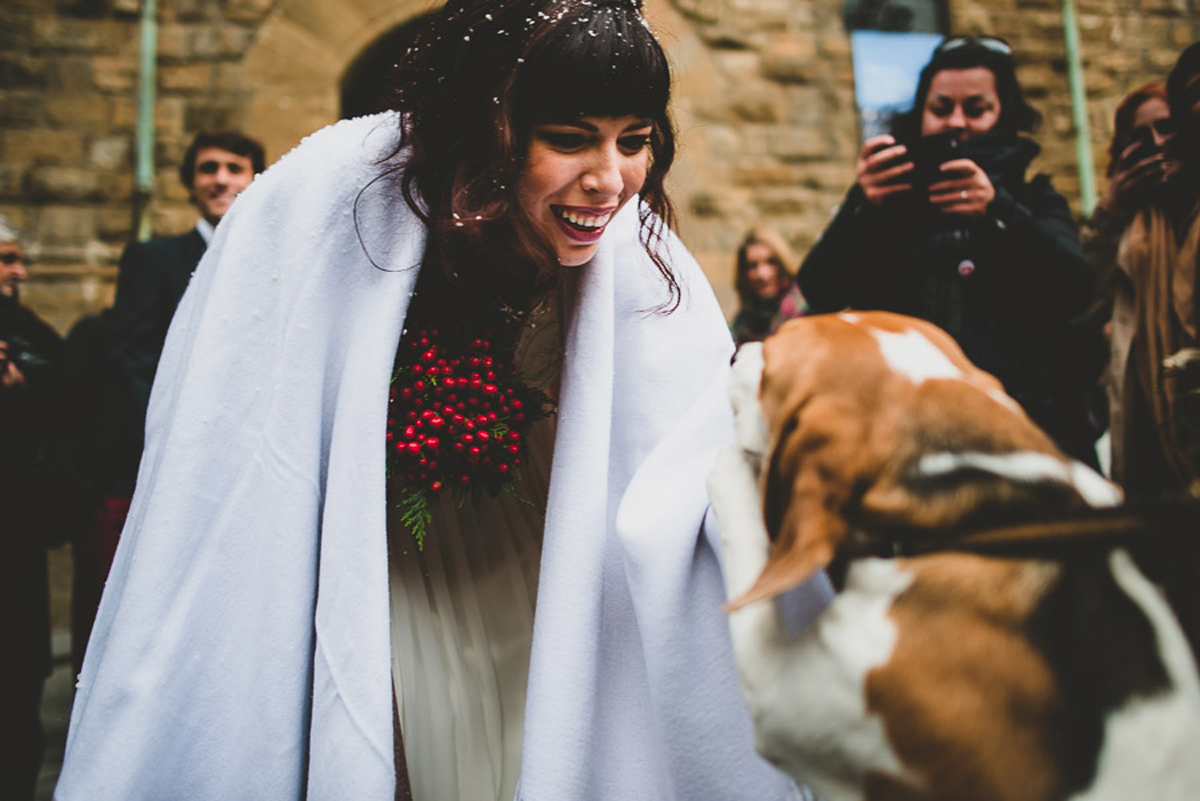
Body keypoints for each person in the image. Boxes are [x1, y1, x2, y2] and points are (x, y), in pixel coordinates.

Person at [55, 2, 825, 800]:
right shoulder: (343, 204)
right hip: (393, 574)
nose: (610, 179)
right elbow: (252, 438)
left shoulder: (639, 251)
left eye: (634, 141)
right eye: (569, 138)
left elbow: (677, 458)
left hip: (557, 576)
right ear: (488, 130)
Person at [797, 35, 1104, 466]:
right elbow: (821, 288)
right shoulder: (885, 199)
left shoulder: (1034, 197)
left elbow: (1074, 289)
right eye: (940, 108)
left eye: (976, 109)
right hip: (909, 434)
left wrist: (998, 210)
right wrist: (862, 206)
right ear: (920, 113)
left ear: (1004, 115)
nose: (956, 122)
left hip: (1027, 433)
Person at [67, 129, 266, 674]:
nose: (221, 179)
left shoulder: (275, 263)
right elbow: (134, 358)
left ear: (255, 181)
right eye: (208, 168)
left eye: (234, 168)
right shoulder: (154, 259)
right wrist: (168, 443)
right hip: (166, 452)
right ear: (189, 184)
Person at [1085, 44, 1200, 496]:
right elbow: (1080, 305)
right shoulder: (1126, 226)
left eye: (1168, 128)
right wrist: (1113, 207)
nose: (1158, 145)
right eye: (1140, 137)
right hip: (1149, 428)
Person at [0, 215, 65, 801]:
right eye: (6, 259)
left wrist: (25, 388)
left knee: (18, 679)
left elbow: (65, 398)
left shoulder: (30, 332)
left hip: (14, 531)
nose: (18, 271)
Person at [729, 227, 808, 346]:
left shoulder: (805, 313)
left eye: (771, 262)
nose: (762, 274)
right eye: (752, 266)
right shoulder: (741, 324)